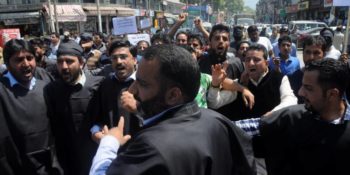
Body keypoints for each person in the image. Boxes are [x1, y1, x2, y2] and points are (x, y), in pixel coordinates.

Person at [90, 44, 256, 175]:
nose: (133, 91)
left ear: (173, 95)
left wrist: (109, 142)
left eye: (143, 84)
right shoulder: (216, 121)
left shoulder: (150, 146)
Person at [236, 59, 350, 174]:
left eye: (308, 88)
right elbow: (236, 128)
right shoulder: (291, 116)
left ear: (332, 94)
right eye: (302, 86)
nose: (300, 92)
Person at [0, 39, 61, 174]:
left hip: (49, 165)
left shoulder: (46, 86)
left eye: (30, 58)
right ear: (7, 64)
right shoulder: (2, 91)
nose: (26, 64)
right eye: (19, 60)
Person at [45, 40, 104, 175]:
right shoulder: (52, 90)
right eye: (60, 62)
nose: (64, 66)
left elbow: (106, 117)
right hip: (66, 162)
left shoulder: (98, 85)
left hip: (94, 158)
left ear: (81, 63)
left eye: (69, 61)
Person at [209, 44, 297, 120]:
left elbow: (291, 100)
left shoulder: (279, 79)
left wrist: (272, 114)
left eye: (256, 60)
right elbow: (214, 103)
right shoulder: (241, 82)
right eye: (247, 60)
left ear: (266, 63)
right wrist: (216, 83)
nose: (251, 63)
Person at [90, 40, 140, 143]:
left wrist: (137, 109)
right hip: (111, 148)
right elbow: (97, 118)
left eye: (123, 57)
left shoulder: (146, 84)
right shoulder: (104, 84)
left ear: (134, 60)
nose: (118, 62)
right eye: (114, 58)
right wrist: (96, 133)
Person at [198, 24, 245, 117]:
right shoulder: (201, 62)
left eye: (224, 39)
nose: (220, 41)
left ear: (229, 43)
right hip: (207, 116)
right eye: (217, 38)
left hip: (232, 116)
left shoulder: (236, 63)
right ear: (210, 42)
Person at [288, 35, 327, 103]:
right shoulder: (293, 78)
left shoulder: (330, 78)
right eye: (307, 52)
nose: (311, 57)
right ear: (302, 53)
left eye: (316, 53)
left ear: (324, 54)